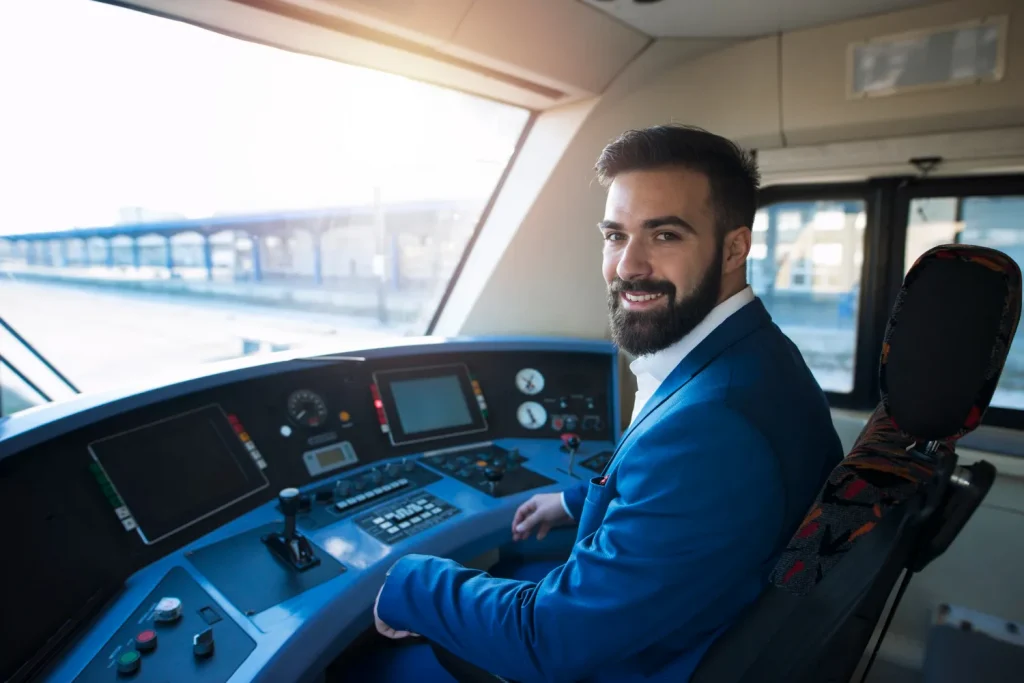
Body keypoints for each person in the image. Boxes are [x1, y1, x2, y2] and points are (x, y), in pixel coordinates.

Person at [362, 125, 844, 682]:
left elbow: (546, 641)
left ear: (734, 247)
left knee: (378, 665)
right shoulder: (761, 355)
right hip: (697, 618)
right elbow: (678, 499)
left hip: (651, 659)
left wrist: (407, 581)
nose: (628, 266)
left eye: (664, 236)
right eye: (616, 235)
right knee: (519, 560)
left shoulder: (713, 429)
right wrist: (570, 502)